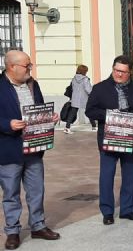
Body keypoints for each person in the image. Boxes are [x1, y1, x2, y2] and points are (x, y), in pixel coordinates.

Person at [0, 50, 60, 250]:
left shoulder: (33, 84)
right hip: (9, 149)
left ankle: (38, 225)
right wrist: (8, 124)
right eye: (27, 66)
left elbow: (40, 108)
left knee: (36, 190)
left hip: (35, 147)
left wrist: (49, 117)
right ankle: (13, 231)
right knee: (11, 193)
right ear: (12, 67)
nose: (30, 69)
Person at [86, 55, 133, 225]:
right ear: (113, 69)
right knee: (106, 175)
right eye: (117, 70)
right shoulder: (99, 88)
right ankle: (107, 212)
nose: (119, 74)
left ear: (130, 73)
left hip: (130, 138)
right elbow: (90, 111)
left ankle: (127, 210)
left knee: (129, 175)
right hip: (108, 139)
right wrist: (110, 116)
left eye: (123, 72)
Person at [64, 64, 96, 134]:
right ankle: (94, 126)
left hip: (75, 98)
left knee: (72, 113)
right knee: (90, 111)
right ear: (84, 71)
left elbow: (72, 88)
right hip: (84, 98)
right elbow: (88, 90)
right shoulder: (85, 79)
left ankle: (67, 127)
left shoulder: (74, 78)